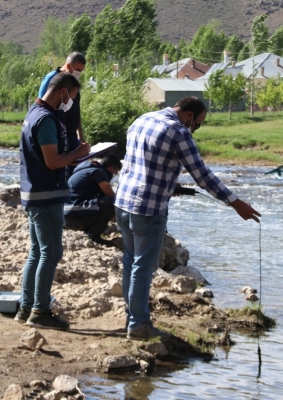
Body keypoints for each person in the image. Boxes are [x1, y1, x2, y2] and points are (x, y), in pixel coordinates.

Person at [114, 96, 261, 340]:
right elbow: (202, 175)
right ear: (190, 115)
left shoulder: (142, 119)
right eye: (198, 123)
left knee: (131, 260)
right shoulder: (179, 132)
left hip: (122, 202)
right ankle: (138, 325)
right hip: (148, 209)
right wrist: (235, 203)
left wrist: (171, 184)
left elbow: (142, 164)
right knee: (143, 265)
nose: (195, 129)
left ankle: (133, 316)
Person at [16, 72, 91, 330]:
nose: (70, 102)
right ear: (62, 92)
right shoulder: (47, 119)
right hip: (46, 195)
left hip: (34, 192)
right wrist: (78, 153)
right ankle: (40, 311)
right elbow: (52, 161)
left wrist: (71, 156)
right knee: (51, 252)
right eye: (71, 96)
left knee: (37, 252)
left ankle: (26, 306)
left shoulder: (33, 113)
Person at [64, 154, 122, 247]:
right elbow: (111, 196)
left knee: (101, 204)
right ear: (111, 168)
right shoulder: (99, 172)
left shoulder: (86, 169)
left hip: (66, 217)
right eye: (115, 172)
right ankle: (94, 236)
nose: (114, 175)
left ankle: (90, 232)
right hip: (75, 217)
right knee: (114, 201)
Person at [38, 51, 86, 152]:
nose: (79, 73)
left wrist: (80, 134)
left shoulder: (74, 84)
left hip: (72, 136)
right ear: (68, 65)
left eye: (81, 71)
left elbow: (76, 109)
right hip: (57, 135)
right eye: (77, 70)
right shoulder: (51, 79)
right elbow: (42, 106)